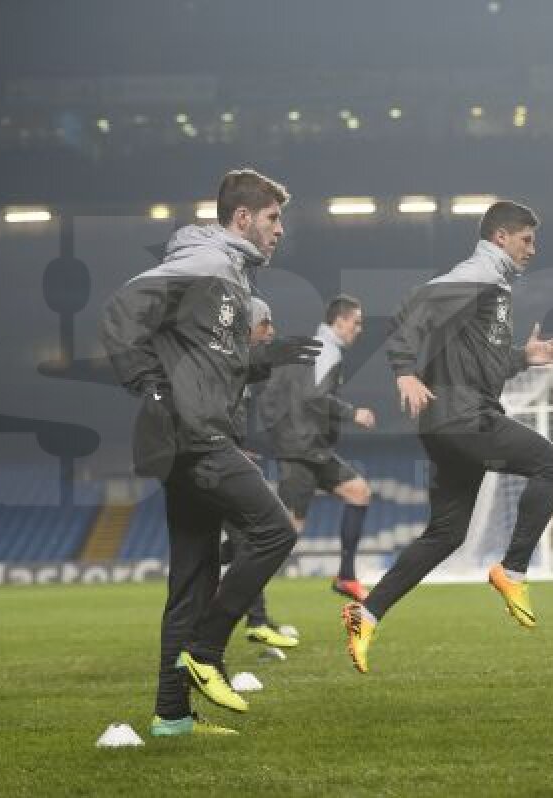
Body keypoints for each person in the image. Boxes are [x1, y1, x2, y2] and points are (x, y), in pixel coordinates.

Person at [100, 169, 321, 737]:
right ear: (242, 218)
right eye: (273, 219)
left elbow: (211, 362)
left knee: (192, 579)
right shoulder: (207, 264)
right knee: (275, 530)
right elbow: (122, 312)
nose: (280, 230)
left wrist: (269, 358)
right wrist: (150, 388)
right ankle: (206, 651)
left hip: (193, 437)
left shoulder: (231, 277)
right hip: (193, 437)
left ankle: (171, 714)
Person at [342, 200, 553, 674]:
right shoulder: (482, 272)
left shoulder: (495, 286)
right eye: (526, 238)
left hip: (446, 424)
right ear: (501, 237)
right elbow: (415, 306)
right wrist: (403, 371)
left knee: (446, 533)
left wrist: (523, 358)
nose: (534, 248)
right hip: (463, 418)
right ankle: (512, 571)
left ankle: (366, 613)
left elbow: (480, 359)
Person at [258, 294, 376, 602]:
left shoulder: (316, 348)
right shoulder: (326, 349)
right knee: (285, 535)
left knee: (358, 492)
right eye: (356, 322)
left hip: (312, 448)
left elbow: (275, 399)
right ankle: (231, 586)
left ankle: (346, 577)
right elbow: (313, 396)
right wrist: (354, 413)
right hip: (301, 450)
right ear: (339, 321)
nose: (359, 329)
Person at [221, 298, 298, 651]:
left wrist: (235, 446)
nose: (272, 331)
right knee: (258, 535)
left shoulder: (239, 366)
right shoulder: (223, 361)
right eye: (265, 323)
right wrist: (225, 448)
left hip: (220, 456)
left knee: (243, 539)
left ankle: (253, 620)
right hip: (210, 464)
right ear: (246, 326)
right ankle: (251, 621)